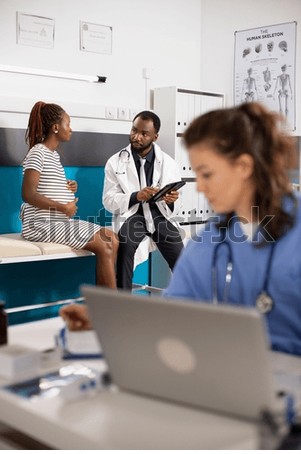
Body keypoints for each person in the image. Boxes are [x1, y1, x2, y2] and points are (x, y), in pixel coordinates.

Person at [60, 102, 301, 358]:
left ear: (243, 167)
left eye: (206, 174)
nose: (199, 187)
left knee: (171, 245)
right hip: (235, 368)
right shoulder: (209, 241)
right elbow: (175, 314)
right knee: (127, 242)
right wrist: (108, 326)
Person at [21, 101, 118, 287]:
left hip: (58, 221)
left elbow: (43, 183)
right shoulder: (37, 153)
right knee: (104, 244)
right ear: (56, 127)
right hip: (41, 223)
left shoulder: (53, 155)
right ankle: (109, 309)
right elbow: (28, 194)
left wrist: (66, 186)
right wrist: (63, 206)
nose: (71, 129)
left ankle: (105, 304)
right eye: (68, 124)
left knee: (112, 238)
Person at [103, 110, 184, 289]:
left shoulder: (169, 163)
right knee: (125, 246)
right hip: (133, 215)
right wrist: (136, 196)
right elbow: (108, 201)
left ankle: (188, 303)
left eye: (144, 133)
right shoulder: (114, 162)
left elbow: (178, 205)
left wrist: (171, 200)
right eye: (134, 130)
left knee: (180, 257)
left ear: (155, 136)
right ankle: (123, 302)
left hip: (159, 215)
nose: (136, 137)